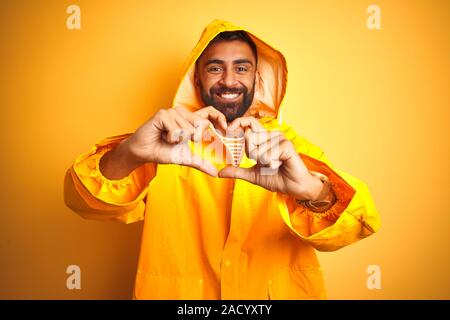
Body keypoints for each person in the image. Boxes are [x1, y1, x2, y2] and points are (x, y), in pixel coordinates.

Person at [64, 19, 380, 300]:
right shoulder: (164, 143)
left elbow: (359, 226)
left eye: (241, 68)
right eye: (215, 68)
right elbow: (85, 204)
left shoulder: (290, 148)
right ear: (197, 80)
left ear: (258, 78)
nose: (229, 80)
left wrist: (313, 191)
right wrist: (129, 152)